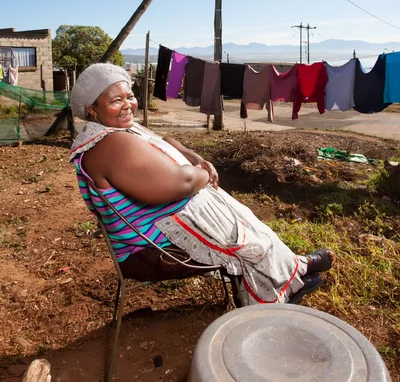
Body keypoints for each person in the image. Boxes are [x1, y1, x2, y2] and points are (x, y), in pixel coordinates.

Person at [69, 63, 335, 305]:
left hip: (163, 224)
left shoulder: (119, 131)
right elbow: (182, 183)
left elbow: (164, 142)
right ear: (93, 109)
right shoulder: (111, 144)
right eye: (116, 100)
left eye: (130, 96)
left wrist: (196, 157)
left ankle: (294, 268)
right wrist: (203, 173)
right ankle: (282, 290)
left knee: (248, 223)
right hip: (150, 247)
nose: (128, 104)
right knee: (248, 241)